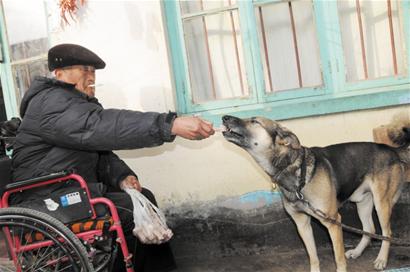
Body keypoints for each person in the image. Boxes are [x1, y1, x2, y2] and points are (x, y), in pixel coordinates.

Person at [11, 43, 215, 271]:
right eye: (84, 70)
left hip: (68, 191)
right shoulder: (51, 102)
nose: (91, 77)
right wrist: (169, 125)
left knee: (143, 198)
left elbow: (98, 150)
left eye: (93, 71)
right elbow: (97, 127)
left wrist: (121, 176)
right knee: (129, 213)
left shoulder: (71, 104)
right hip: (44, 199)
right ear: (59, 74)